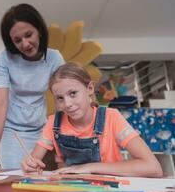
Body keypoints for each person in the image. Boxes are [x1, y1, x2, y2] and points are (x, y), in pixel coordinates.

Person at [21, 63, 163, 177]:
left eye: (73, 93)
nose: (67, 104)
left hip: (108, 189)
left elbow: (153, 167)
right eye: (60, 98)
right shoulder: (53, 123)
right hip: (69, 189)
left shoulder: (111, 118)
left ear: (89, 88)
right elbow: (34, 162)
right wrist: (30, 165)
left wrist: (88, 168)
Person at [0, 3, 64, 169]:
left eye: (29, 35)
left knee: (36, 176)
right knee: (12, 174)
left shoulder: (54, 58)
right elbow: (0, 102)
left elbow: (61, 100)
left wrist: (59, 137)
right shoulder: (5, 58)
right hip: (10, 129)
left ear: (40, 30)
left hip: (40, 129)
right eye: (17, 40)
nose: (25, 44)